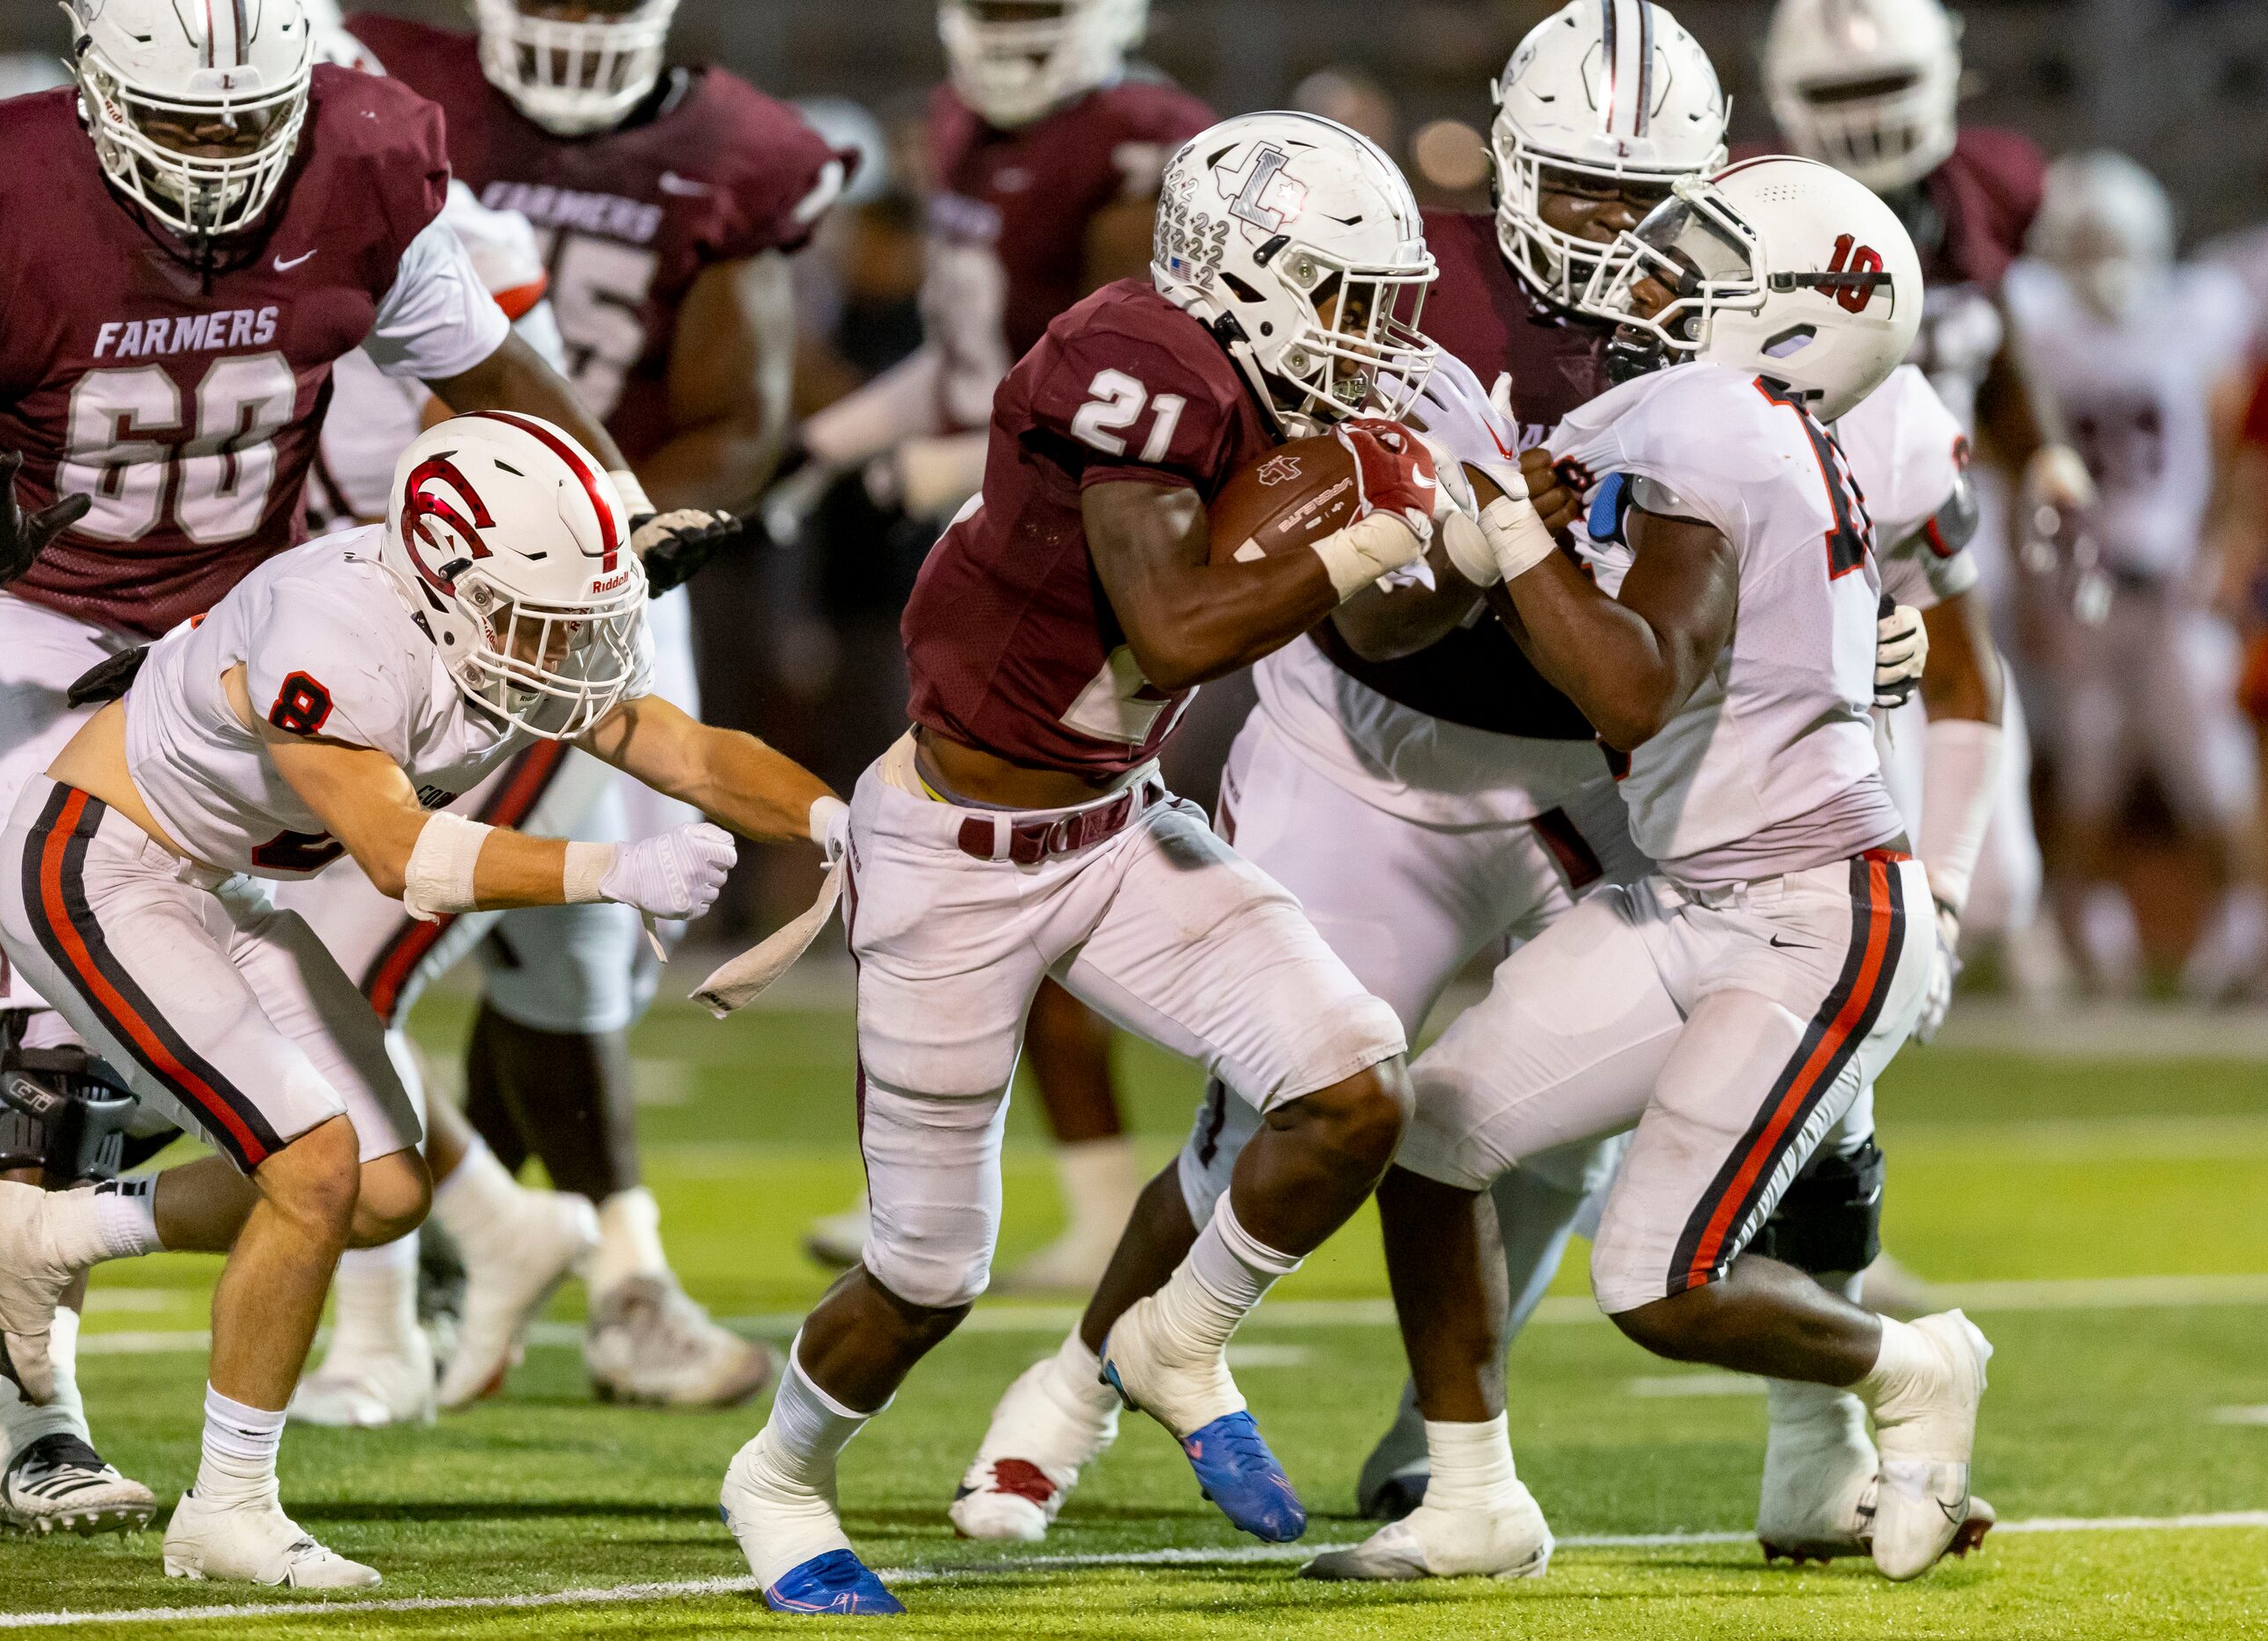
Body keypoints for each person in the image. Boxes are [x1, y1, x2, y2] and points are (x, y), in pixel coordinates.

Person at [944, 0, 1937, 1561]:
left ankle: (1684, 1437)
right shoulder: (1407, 287)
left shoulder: (1758, 279)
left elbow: (1866, 525)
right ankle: (1068, 1391)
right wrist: (1469, 548)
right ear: (1510, 156)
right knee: (1276, 1109)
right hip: (1370, 749)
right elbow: (1375, 606)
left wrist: (1872, 631)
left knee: (1740, 1102)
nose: (1619, 236)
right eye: (1584, 190)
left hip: (1608, 773)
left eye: (1651, 200)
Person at [0, 0, 694, 1536]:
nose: (217, 161)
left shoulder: (371, 163)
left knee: (175, 1035)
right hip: (21, 623)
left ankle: (8, 1209)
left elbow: (491, 367)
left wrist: (617, 512)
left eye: (250, 124)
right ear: (100, 86)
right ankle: (35, 1424)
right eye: (183, 125)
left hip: (227, 622)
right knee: (61, 1014)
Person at [716, 111, 1451, 1615]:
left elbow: (1368, 630)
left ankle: (1176, 1333)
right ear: (1240, 272)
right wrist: (1369, 534)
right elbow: (1178, 627)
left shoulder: (1268, 388)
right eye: (1337, 295)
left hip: (1113, 827)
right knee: (926, 1274)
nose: (1365, 338)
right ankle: (777, 1474)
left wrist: (1475, 549)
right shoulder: (1135, 360)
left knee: (1355, 1083)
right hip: (954, 855)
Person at [0, 411, 838, 1587]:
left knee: (384, 1189)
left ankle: (54, 1228)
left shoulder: (489, 619)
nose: (558, 643)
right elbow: (400, 859)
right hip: (99, 861)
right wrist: (617, 869)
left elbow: (690, 753)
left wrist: (843, 825)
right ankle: (228, 1505)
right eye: (538, 616)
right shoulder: (338, 627)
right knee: (313, 1168)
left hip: (216, 877)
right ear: (443, 578)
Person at [1306, 156, 1990, 1590]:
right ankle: (1473, 1497)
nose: (1649, 283)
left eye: (1698, 269)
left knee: (1657, 1279)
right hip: (1698, 892)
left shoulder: (1715, 423)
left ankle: (1909, 1364)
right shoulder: (1738, 419)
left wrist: (1505, 527)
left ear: (1786, 317)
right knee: (1431, 1140)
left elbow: (1627, 688)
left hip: (1809, 906)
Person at [282, 0, 847, 1413]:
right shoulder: (364, 92)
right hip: (351, 587)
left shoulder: (687, 166)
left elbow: (720, 410)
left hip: (562, 585)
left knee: (547, 960)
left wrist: (597, 547)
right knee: (324, 944)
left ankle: (553, 1274)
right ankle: (488, 1272)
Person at [788, 0, 1214, 1293]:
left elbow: (1129, 384)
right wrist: (829, 448)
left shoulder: (1150, 149)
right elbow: (970, 353)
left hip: (1102, 557)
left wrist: (939, 457)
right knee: (990, 876)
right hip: (1003, 540)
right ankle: (1045, 1202)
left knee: (1016, 867)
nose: (1017, 27)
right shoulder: (966, 123)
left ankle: (1171, 1185)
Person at [1762, 0, 2072, 1008]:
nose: (1863, 115)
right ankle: (1816, 999)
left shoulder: (1976, 191)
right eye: (1837, 91)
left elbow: (1997, 342)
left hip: (1943, 545)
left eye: (1882, 86)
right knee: (1856, 838)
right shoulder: (1766, 213)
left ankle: (1900, 948)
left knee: (1995, 887)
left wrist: (2046, 455)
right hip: (1817, 548)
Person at [2009, 154, 2264, 999]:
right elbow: (2020, 463)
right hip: (2084, 581)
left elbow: (2230, 437)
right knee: (2086, 757)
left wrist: (2223, 546)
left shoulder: (2194, 313)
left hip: (2174, 581)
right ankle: (2079, 918)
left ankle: (2238, 923)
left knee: (2207, 754)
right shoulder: (2037, 323)